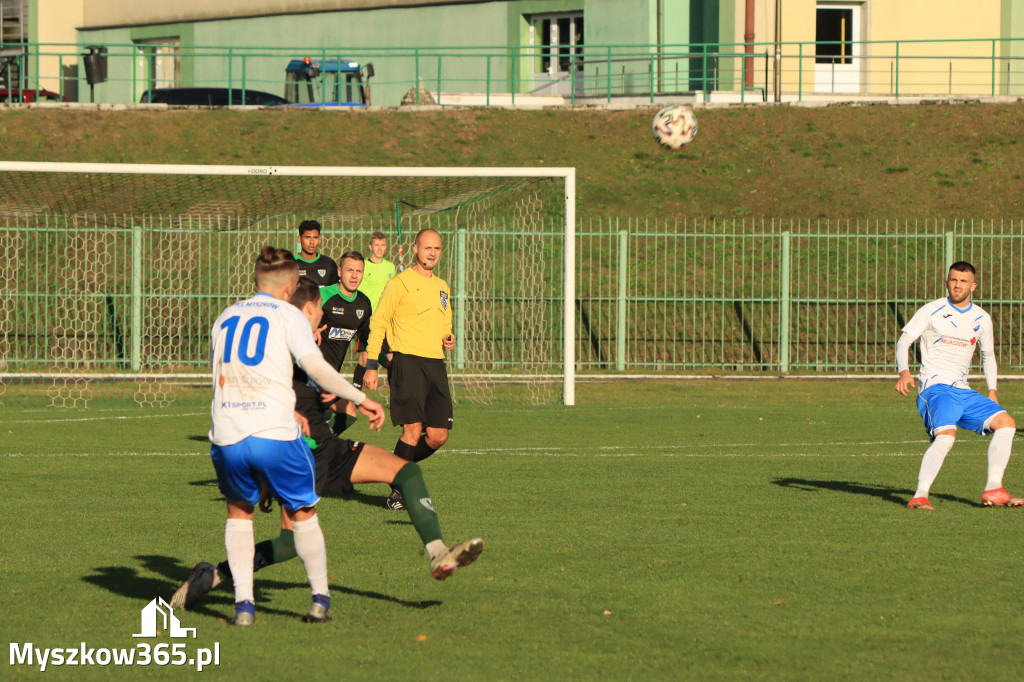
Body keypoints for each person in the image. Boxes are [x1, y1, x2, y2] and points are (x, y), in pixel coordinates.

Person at [171, 278, 483, 611]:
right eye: (319, 309)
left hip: (327, 450)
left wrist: (338, 400)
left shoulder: (309, 347)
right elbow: (259, 405)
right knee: (291, 543)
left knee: (405, 473)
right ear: (306, 310)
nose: (323, 316)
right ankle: (217, 575)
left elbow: (325, 398)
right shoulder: (281, 352)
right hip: (292, 456)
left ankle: (437, 554)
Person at [206, 245, 382, 626]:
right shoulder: (288, 315)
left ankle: (244, 608)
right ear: (290, 288)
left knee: (239, 514)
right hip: (274, 434)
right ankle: (319, 599)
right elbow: (316, 367)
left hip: (227, 432)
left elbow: (227, 379)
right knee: (303, 512)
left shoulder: (225, 317)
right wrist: (359, 398)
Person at [895, 260, 1022, 510]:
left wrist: (992, 390)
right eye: (953, 280)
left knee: (1006, 424)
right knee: (946, 436)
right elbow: (904, 341)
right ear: (947, 282)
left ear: (973, 286)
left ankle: (994, 488)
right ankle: (920, 496)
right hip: (936, 388)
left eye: (963, 281)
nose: (957, 285)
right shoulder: (931, 310)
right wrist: (904, 372)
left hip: (963, 390)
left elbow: (988, 356)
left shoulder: (981, 318)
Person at [363, 229, 455, 510]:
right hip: (407, 362)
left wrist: (448, 337)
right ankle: (400, 490)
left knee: (439, 435)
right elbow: (378, 323)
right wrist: (370, 366)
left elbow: (444, 324)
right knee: (413, 431)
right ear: (415, 248)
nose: (432, 253)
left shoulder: (442, 286)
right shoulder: (399, 283)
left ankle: (396, 474)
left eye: (437, 249)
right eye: (427, 248)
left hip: (435, 364)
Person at [317, 251, 373, 434]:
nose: (355, 275)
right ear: (339, 272)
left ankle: (317, 448)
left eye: (359, 271)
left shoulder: (364, 305)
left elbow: (364, 345)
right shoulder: (322, 295)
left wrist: (369, 371)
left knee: (349, 413)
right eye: (350, 270)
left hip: (331, 375)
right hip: (310, 372)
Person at [354, 231, 397, 389]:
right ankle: (355, 399)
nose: (379, 248)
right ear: (370, 246)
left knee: (392, 359)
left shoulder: (390, 267)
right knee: (365, 359)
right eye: (376, 245)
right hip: (367, 319)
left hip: (386, 318)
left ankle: (396, 398)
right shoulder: (363, 267)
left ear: (386, 247)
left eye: (382, 245)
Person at [294, 220, 339, 288]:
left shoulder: (329, 264)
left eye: (315, 237)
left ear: (319, 239)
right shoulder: (290, 263)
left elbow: (336, 292)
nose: (312, 242)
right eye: (307, 237)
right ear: (299, 239)